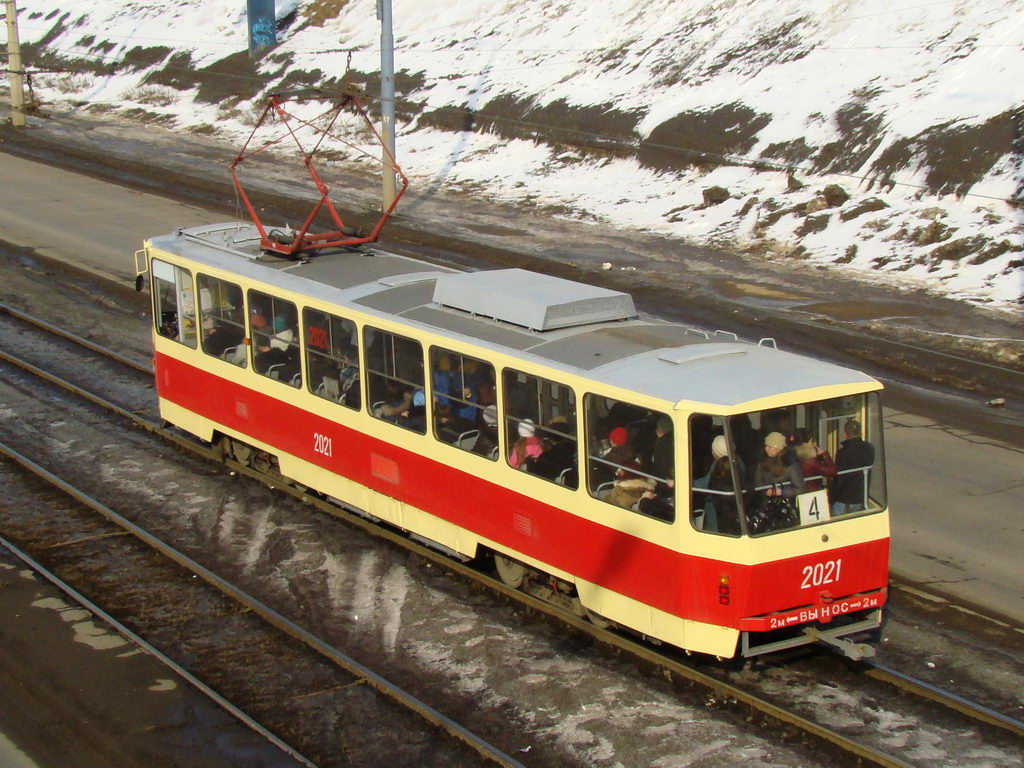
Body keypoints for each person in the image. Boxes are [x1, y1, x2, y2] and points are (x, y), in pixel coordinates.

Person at [832, 419, 875, 514]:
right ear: (860, 432)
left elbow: (840, 478)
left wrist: (832, 493)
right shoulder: (869, 448)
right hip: (861, 495)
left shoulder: (843, 453)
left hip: (844, 498)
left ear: (846, 434)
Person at [793, 428, 836, 492]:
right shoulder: (810, 461)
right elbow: (832, 472)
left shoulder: (792, 456)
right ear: (806, 443)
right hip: (811, 494)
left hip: (795, 493)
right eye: (811, 441)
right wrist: (824, 455)